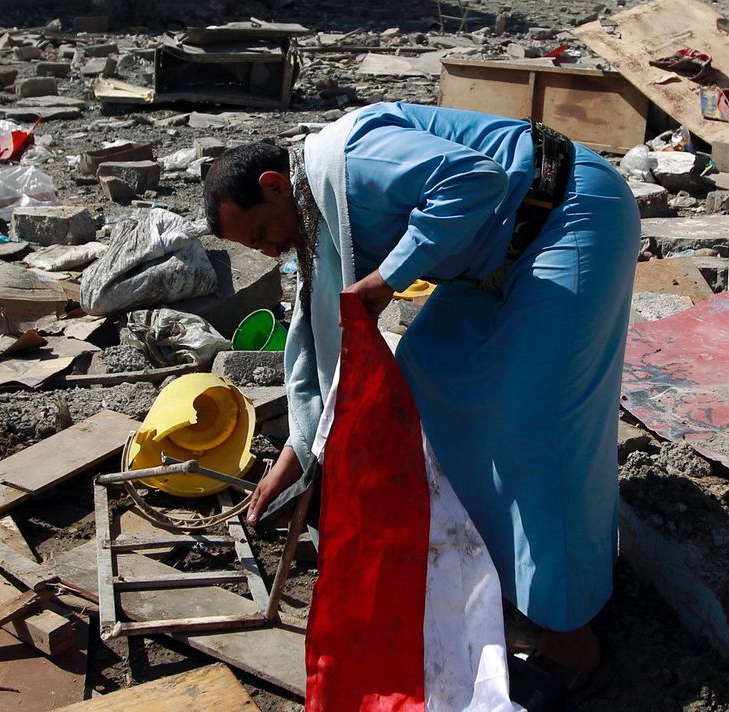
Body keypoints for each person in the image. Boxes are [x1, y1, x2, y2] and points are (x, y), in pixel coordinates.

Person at [204, 103, 639, 693]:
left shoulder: (350, 160)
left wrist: (386, 284)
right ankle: (487, 576)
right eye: (257, 247)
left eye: (261, 234)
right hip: (489, 252)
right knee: (419, 387)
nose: (271, 250)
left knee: (537, 425)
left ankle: (571, 639)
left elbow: (472, 179)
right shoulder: (312, 213)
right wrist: (300, 455)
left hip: (568, 214)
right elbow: (324, 345)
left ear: (274, 186)